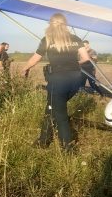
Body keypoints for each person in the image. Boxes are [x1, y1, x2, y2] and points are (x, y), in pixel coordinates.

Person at [20, 14, 83, 150]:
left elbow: (36, 58)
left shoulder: (47, 39)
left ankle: (68, 147)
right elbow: (86, 58)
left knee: (60, 114)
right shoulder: (76, 39)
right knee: (51, 106)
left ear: (51, 24)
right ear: (65, 24)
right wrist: (72, 66)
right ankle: (43, 140)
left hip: (58, 80)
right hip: (76, 79)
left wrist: (25, 69)